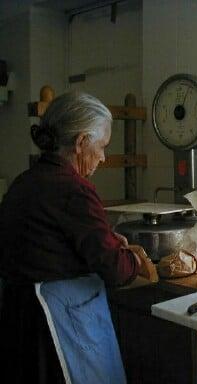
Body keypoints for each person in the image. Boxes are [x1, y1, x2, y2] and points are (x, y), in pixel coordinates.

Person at [0, 91, 143, 383]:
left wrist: (107, 241)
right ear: (81, 143)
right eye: (101, 146)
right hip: (54, 327)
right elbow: (114, 269)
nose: (103, 157)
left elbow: (56, 243)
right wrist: (134, 259)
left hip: (18, 322)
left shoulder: (24, 182)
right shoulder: (73, 189)